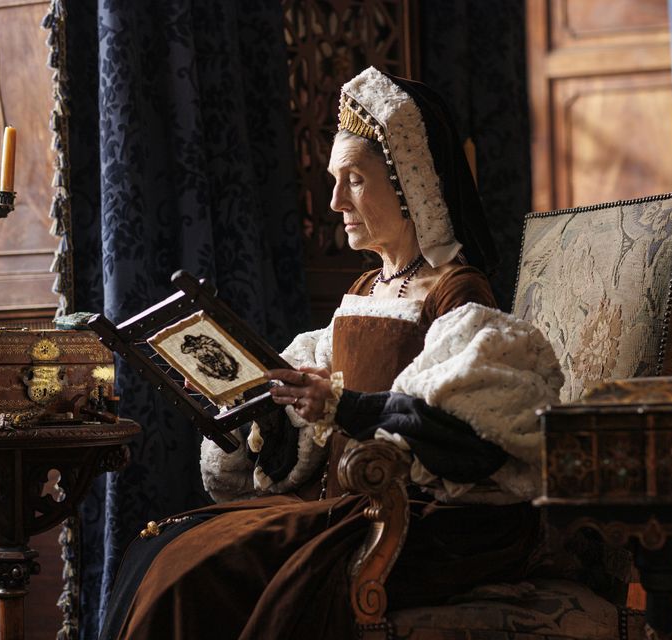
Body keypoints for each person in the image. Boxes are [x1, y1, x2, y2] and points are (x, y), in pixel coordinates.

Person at [99, 67, 562, 640]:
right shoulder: (364, 290)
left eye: (355, 180)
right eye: (334, 179)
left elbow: (463, 439)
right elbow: (311, 435)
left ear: (410, 186)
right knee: (162, 547)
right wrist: (257, 402)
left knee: (201, 569)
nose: (335, 199)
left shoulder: (457, 293)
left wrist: (344, 406)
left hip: (409, 517)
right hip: (339, 501)